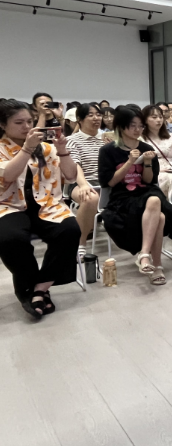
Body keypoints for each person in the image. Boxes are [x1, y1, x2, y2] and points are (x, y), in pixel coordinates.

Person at [0, 99, 80, 320]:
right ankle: (27, 287)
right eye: (19, 123)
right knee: (10, 237)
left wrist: (62, 150)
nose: (27, 127)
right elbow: (8, 175)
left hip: (46, 203)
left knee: (70, 229)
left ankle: (40, 288)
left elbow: (71, 176)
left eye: (29, 121)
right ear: (3, 125)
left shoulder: (46, 148)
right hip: (9, 205)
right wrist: (26, 149)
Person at [98, 105, 172, 286]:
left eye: (140, 126)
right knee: (159, 217)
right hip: (122, 196)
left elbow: (149, 181)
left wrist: (148, 162)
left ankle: (144, 256)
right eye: (133, 126)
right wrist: (129, 162)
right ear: (121, 127)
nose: (137, 130)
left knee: (154, 199)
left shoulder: (146, 148)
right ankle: (156, 266)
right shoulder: (108, 150)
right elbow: (109, 182)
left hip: (145, 191)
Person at [66, 103, 105, 261]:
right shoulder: (72, 140)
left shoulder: (107, 138)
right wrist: (83, 185)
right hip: (80, 181)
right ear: (79, 120)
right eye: (90, 115)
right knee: (90, 198)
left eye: (98, 114)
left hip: (107, 183)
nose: (96, 118)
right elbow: (76, 166)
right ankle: (80, 244)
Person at [141, 104, 172, 198]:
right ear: (145, 120)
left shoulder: (170, 136)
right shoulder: (141, 139)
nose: (159, 120)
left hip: (171, 168)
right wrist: (159, 169)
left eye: (160, 117)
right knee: (168, 178)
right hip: (154, 170)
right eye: (154, 117)